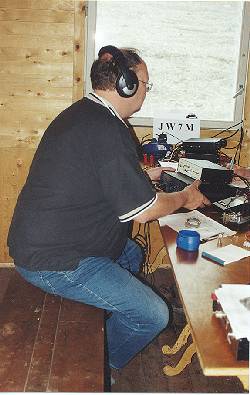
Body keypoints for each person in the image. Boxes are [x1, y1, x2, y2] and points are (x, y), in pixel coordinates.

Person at [7, 45, 209, 370]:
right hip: (55, 260)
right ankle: (99, 368)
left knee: (131, 255)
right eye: (145, 83)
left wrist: (140, 175)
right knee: (152, 314)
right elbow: (144, 211)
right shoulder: (107, 130)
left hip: (50, 242)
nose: (146, 90)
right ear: (126, 86)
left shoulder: (86, 114)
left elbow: (91, 174)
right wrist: (185, 197)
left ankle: (107, 310)